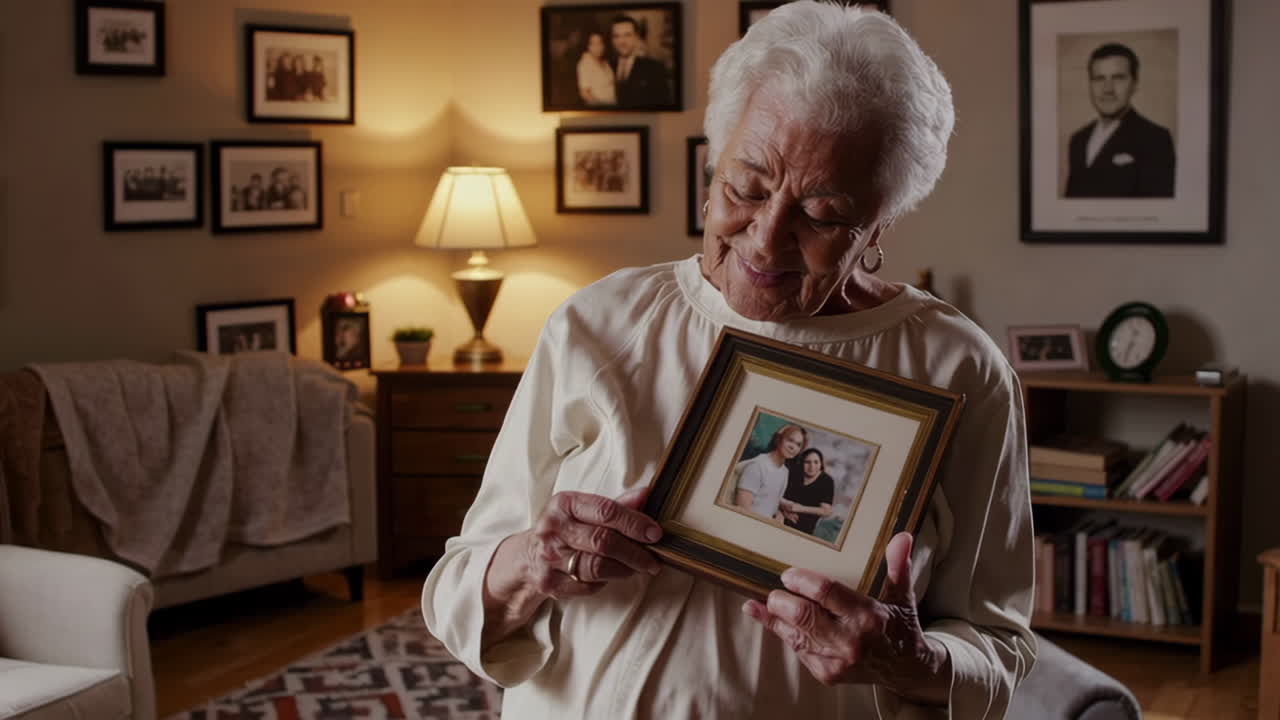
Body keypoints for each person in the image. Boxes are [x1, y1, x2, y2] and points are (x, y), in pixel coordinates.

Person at [422, 3, 1035, 717]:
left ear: (880, 223)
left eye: (824, 215)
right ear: (712, 167)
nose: (767, 240)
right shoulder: (598, 324)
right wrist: (530, 562)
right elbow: (457, 589)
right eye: (746, 187)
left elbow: (1000, 650)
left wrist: (912, 659)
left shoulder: (958, 368)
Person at [1064, 42, 1175, 198]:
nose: (1107, 89)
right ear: (1090, 84)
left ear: (1134, 84)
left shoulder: (1156, 139)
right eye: (1099, 79)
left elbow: (1157, 215)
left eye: (1118, 78)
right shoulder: (1078, 140)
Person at [733, 424, 806, 521]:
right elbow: (742, 508)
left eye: (798, 444)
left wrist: (780, 512)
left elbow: (767, 497)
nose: (793, 447)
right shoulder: (758, 466)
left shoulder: (784, 471)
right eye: (790, 440)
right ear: (779, 439)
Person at [609, 14, 672, 107]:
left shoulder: (654, 68)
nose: (621, 41)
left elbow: (663, 105)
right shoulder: (606, 66)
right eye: (616, 36)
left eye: (627, 35)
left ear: (636, 37)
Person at [779, 447, 835, 535]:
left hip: (804, 531)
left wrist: (800, 508)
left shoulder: (826, 481)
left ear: (821, 463)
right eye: (807, 462)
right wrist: (783, 511)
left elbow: (826, 511)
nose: (812, 466)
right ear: (802, 462)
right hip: (779, 519)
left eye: (816, 462)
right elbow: (774, 494)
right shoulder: (794, 473)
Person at [576, 31, 617, 106]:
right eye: (593, 44)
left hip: (613, 107)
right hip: (599, 109)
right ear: (588, 46)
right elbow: (585, 93)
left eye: (599, 43)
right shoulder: (585, 63)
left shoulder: (606, 63)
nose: (597, 47)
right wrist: (601, 108)